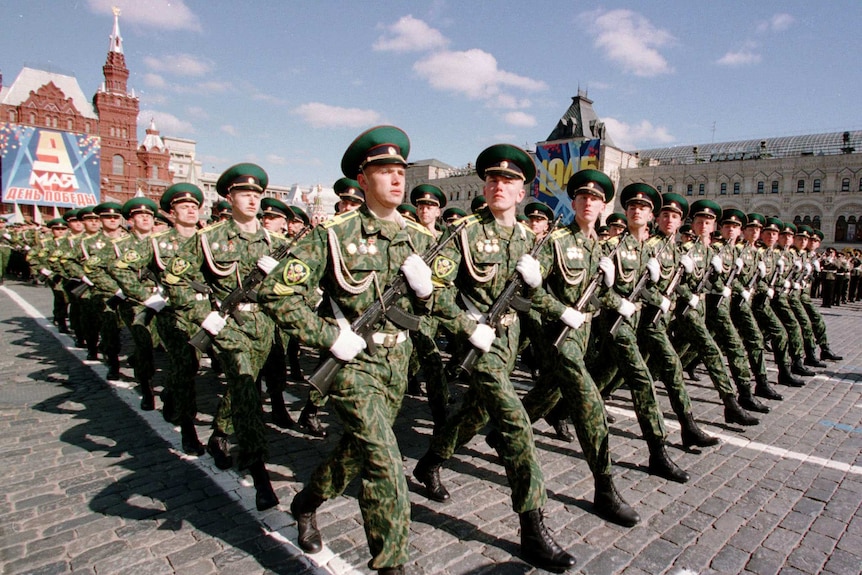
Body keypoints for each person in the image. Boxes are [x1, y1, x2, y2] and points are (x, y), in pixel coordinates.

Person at [260, 126, 437, 574]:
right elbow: (277, 293)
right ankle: (390, 565)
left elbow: (437, 310)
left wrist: (428, 294)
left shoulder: (419, 238)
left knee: (355, 453)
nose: (397, 179)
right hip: (354, 366)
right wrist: (328, 336)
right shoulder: (333, 234)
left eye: (401, 171)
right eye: (384, 171)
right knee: (385, 464)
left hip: (397, 365)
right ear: (362, 179)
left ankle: (306, 501)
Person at [412, 143, 576, 572]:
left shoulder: (530, 240)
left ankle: (429, 461)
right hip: (477, 348)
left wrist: (563, 310)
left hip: (508, 346)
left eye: (509, 181)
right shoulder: (462, 233)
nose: (499, 186)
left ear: (523, 192)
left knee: (471, 414)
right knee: (517, 426)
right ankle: (533, 530)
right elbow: (434, 291)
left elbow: (533, 297)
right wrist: (469, 327)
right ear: (484, 187)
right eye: (492, 179)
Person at [517, 169, 640, 527]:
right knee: (589, 404)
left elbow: (597, 296)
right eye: (583, 197)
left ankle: (497, 431)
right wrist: (561, 310)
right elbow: (529, 290)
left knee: (547, 391)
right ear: (573, 203)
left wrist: (613, 293)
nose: (589, 203)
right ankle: (605, 488)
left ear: (604, 206)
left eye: (596, 199)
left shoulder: (599, 248)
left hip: (581, 336)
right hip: (555, 335)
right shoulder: (555, 241)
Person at [166, 163, 284, 511]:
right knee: (248, 394)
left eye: (257, 194)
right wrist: (206, 315)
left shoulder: (274, 242)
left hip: (264, 325)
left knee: (242, 388)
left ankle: (219, 432)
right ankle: (260, 474)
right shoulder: (208, 238)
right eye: (244, 193)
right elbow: (176, 281)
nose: (251, 199)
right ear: (229, 197)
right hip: (229, 327)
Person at [589, 184, 691, 483]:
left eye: (643, 208)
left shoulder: (654, 249)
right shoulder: (610, 246)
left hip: (638, 325)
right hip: (615, 325)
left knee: (596, 378)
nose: (637, 211)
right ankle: (657, 452)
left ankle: (551, 411)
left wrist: (657, 291)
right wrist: (614, 298)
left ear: (651, 215)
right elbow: (593, 291)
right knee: (641, 381)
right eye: (632, 206)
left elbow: (652, 288)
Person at [669, 200, 760, 425]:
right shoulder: (685, 250)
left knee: (672, 356)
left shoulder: (712, 252)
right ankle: (731, 402)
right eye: (699, 221)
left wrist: (723, 282)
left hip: (702, 309)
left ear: (713, 226)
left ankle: (620, 383)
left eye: (707, 222)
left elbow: (713, 283)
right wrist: (685, 291)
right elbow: (671, 280)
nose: (703, 225)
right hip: (686, 309)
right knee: (712, 351)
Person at [108, 197, 162, 410]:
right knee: (145, 346)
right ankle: (147, 389)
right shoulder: (123, 245)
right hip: (140, 303)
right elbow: (117, 270)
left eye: (149, 215)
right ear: (131, 220)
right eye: (140, 216)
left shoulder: (162, 240)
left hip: (165, 300)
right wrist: (143, 294)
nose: (146, 219)